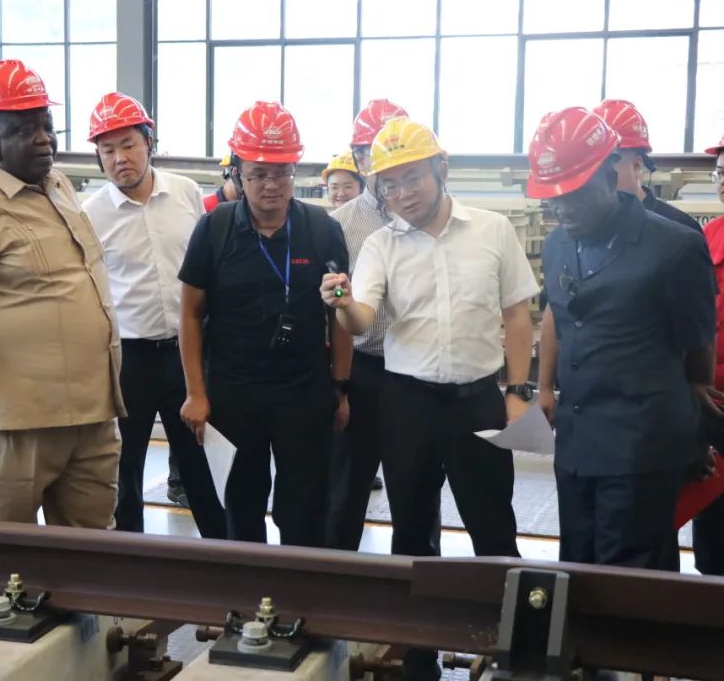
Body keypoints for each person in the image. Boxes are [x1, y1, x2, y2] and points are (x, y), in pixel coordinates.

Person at [322, 117, 537, 681]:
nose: (402, 194)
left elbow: (518, 315)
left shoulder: (492, 230)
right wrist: (342, 304)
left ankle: (512, 648)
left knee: (494, 526)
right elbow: (363, 318)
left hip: (478, 402)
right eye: (389, 184)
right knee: (413, 530)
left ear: (441, 169)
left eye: (412, 178)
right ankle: (417, 654)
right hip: (407, 405)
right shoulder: (380, 244)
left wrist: (518, 394)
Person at [0, 60, 124, 528]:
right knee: (11, 549)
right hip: (15, 422)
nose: (43, 139)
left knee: (93, 544)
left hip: (90, 412)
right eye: (24, 130)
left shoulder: (58, 186)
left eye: (46, 125)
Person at [531, 107, 717, 573]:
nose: (562, 209)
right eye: (552, 198)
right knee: (577, 566)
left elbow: (698, 344)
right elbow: (560, 319)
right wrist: (546, 389)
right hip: (576, 443)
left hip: (642, 446)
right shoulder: (557, 245)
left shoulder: (674, 247)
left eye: (574, 194)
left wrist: (694, 429)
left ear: (609, 174)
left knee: (632, 576)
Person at [179, 100, 352, 548]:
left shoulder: (322, 229)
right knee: (241, 506)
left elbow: (339, 314)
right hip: (233, 395)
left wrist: (340, 387)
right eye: (258, 174)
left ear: (296, 172)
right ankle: (248, 589)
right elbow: (190, 314)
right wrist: (196, 393)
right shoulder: (213, 229)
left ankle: (301, 588)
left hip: (304, 393)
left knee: (305, 510)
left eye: (282, 173)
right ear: (237, 172)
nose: (271, 185)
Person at [82, 92, 226, 538]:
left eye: (128, 145)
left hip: (188, 353)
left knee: (201, 463)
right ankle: (131, 560)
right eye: (108, 150)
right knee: (125, 467)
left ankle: (223, 555)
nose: (120, 159)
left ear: (149, 142)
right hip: (130, 359)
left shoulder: (185, 193)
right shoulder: (91, 215)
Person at [324, 99, 411, 551]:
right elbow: (329, 309)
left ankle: (417, 579)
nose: (383, 164)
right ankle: (336, 578)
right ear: (359, 160)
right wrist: (337, 385)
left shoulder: (428, 216)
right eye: (371, 153)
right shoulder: (338, 224)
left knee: (415, 490)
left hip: (416, 372)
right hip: (362, 368)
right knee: (346, 489)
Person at [686, 133, 724, 576]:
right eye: (719, 173)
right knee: (711, 511)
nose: (723, 180)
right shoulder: (707, 236)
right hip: (712, 399)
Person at [593, 99, 700, 232]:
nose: (594, 178)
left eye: (605, 164)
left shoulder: (681, 230)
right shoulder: (583, 227)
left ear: (637, 166)